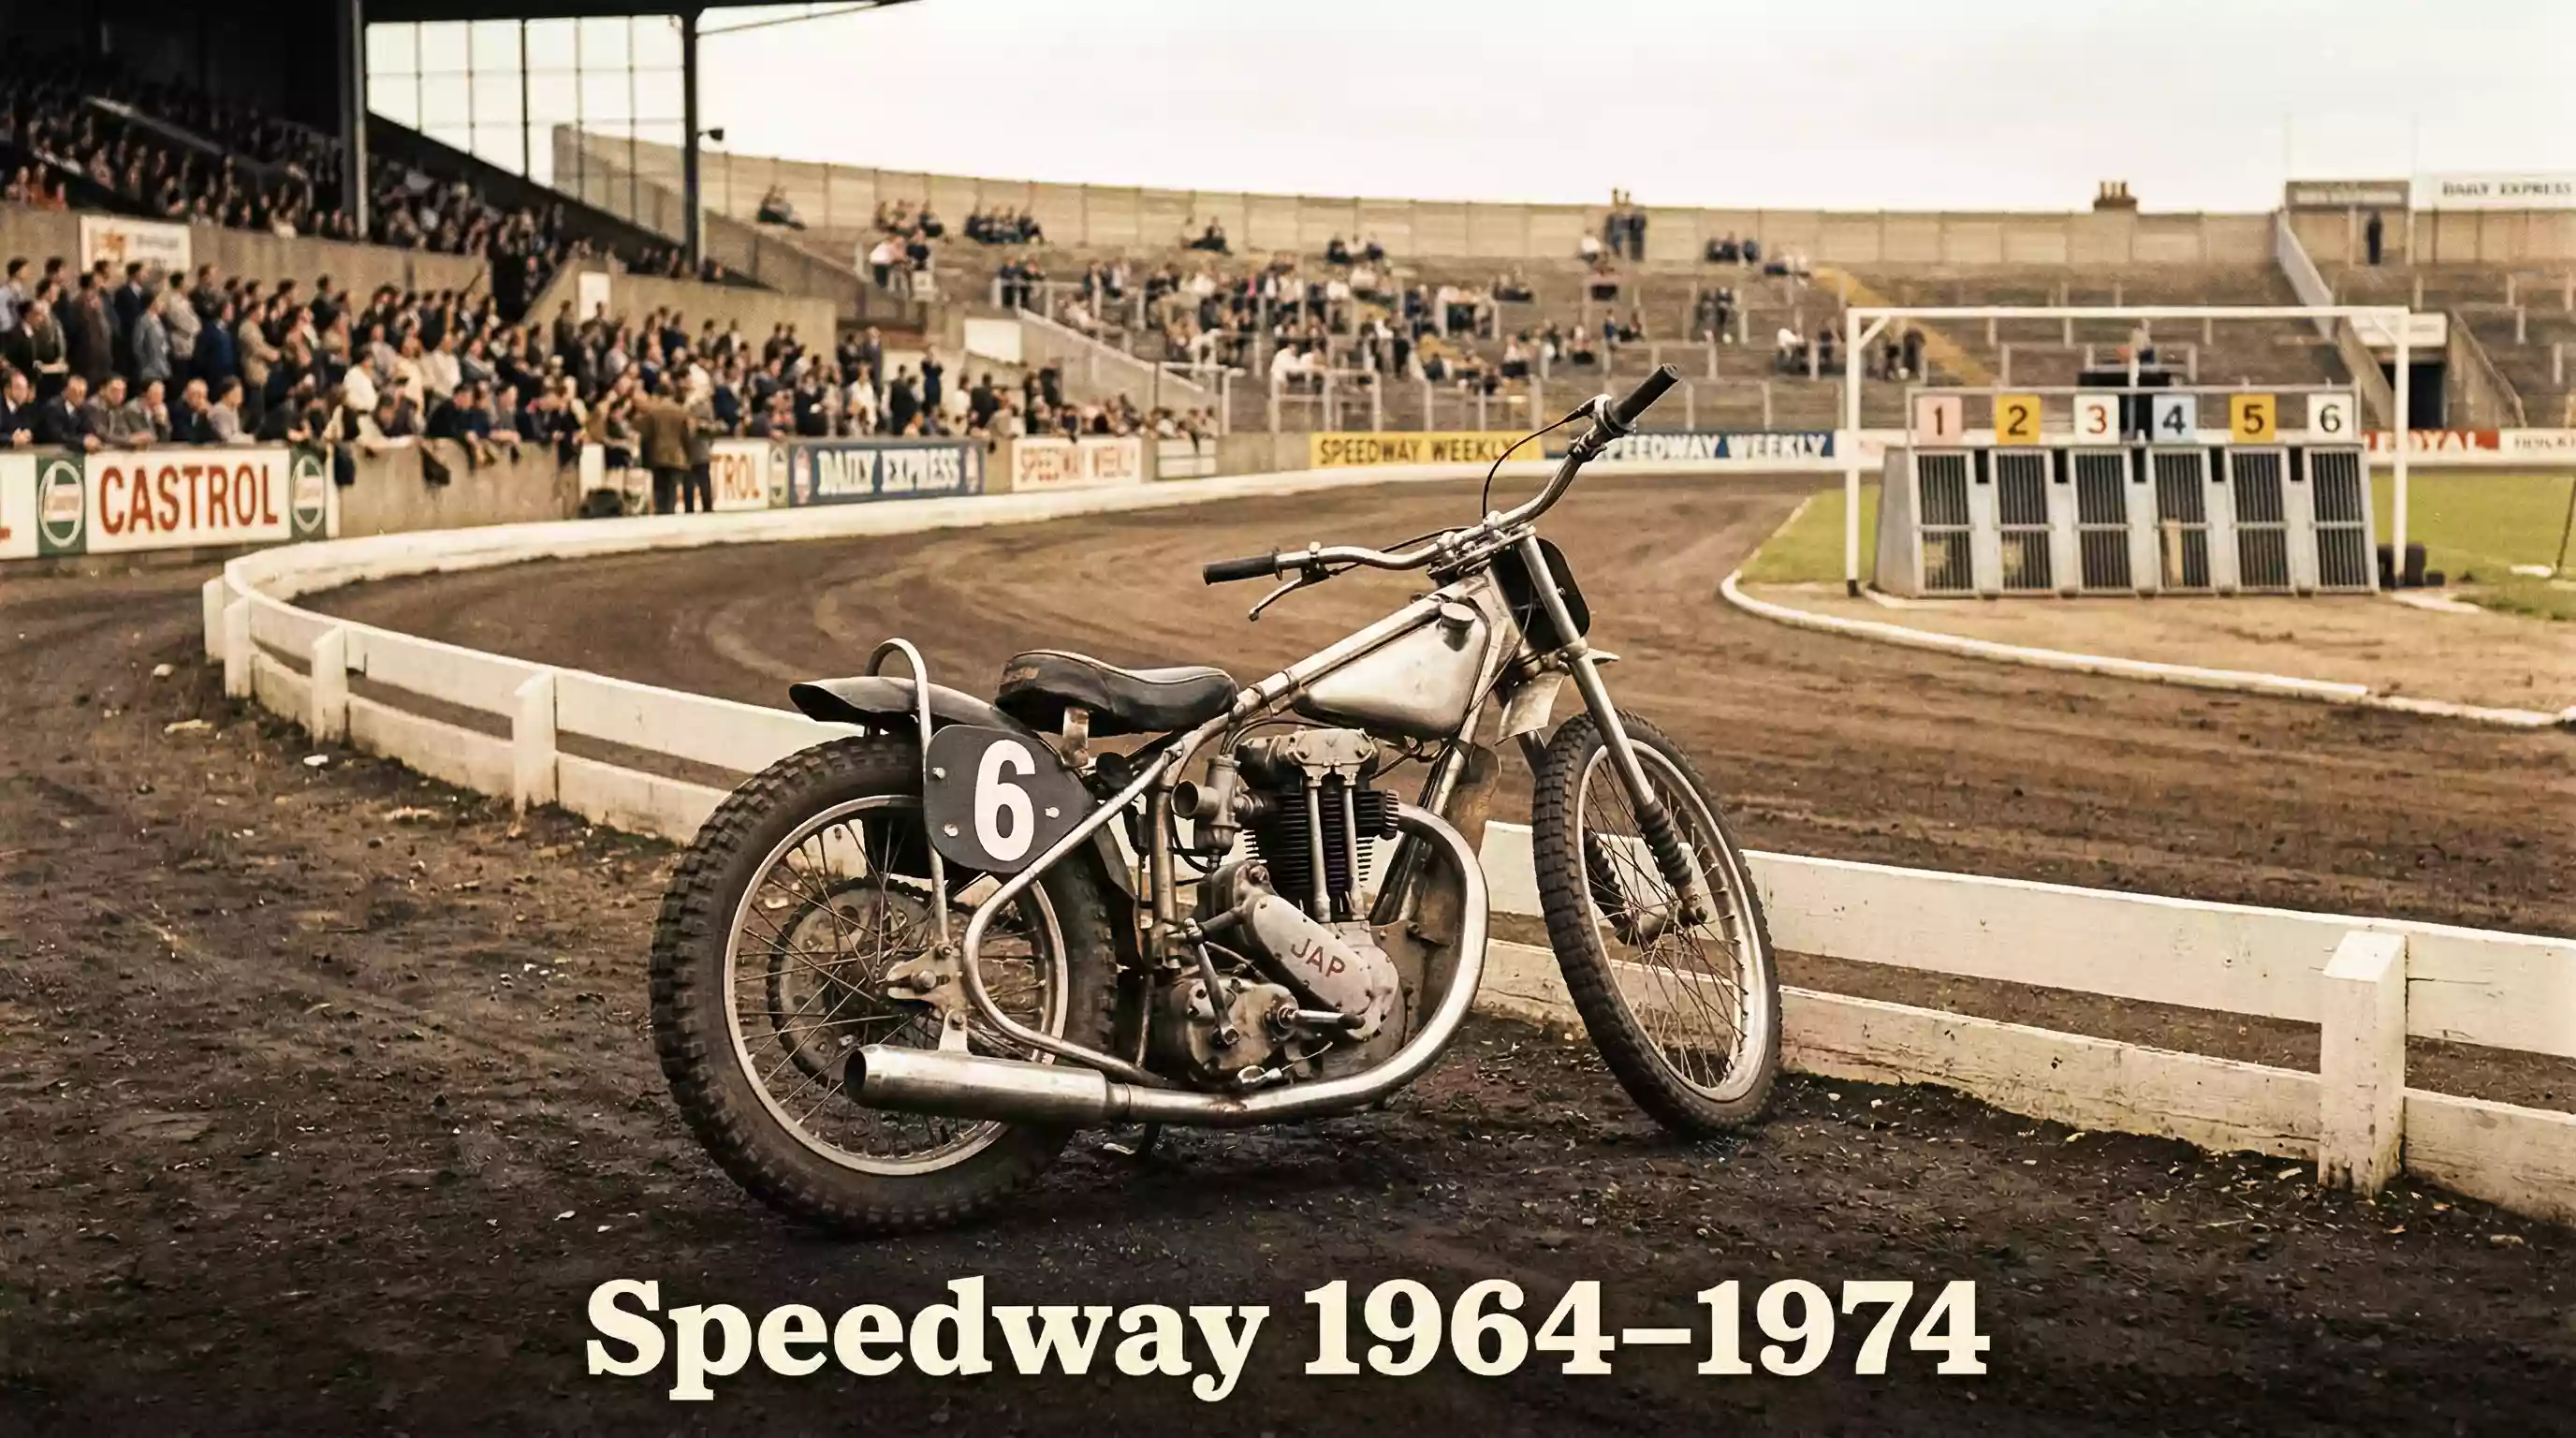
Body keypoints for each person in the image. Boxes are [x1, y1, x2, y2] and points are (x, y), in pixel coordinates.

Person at [636, 382, 692, 515]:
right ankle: (670, 510)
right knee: (671, 487)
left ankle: (660, 510)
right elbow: (686, 436)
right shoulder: (681, 411)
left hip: (657, 453)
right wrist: (689, 455)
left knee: (659, 486)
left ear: (657, 395)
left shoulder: (653, 412)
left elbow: (646, 433)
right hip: (676, 454)